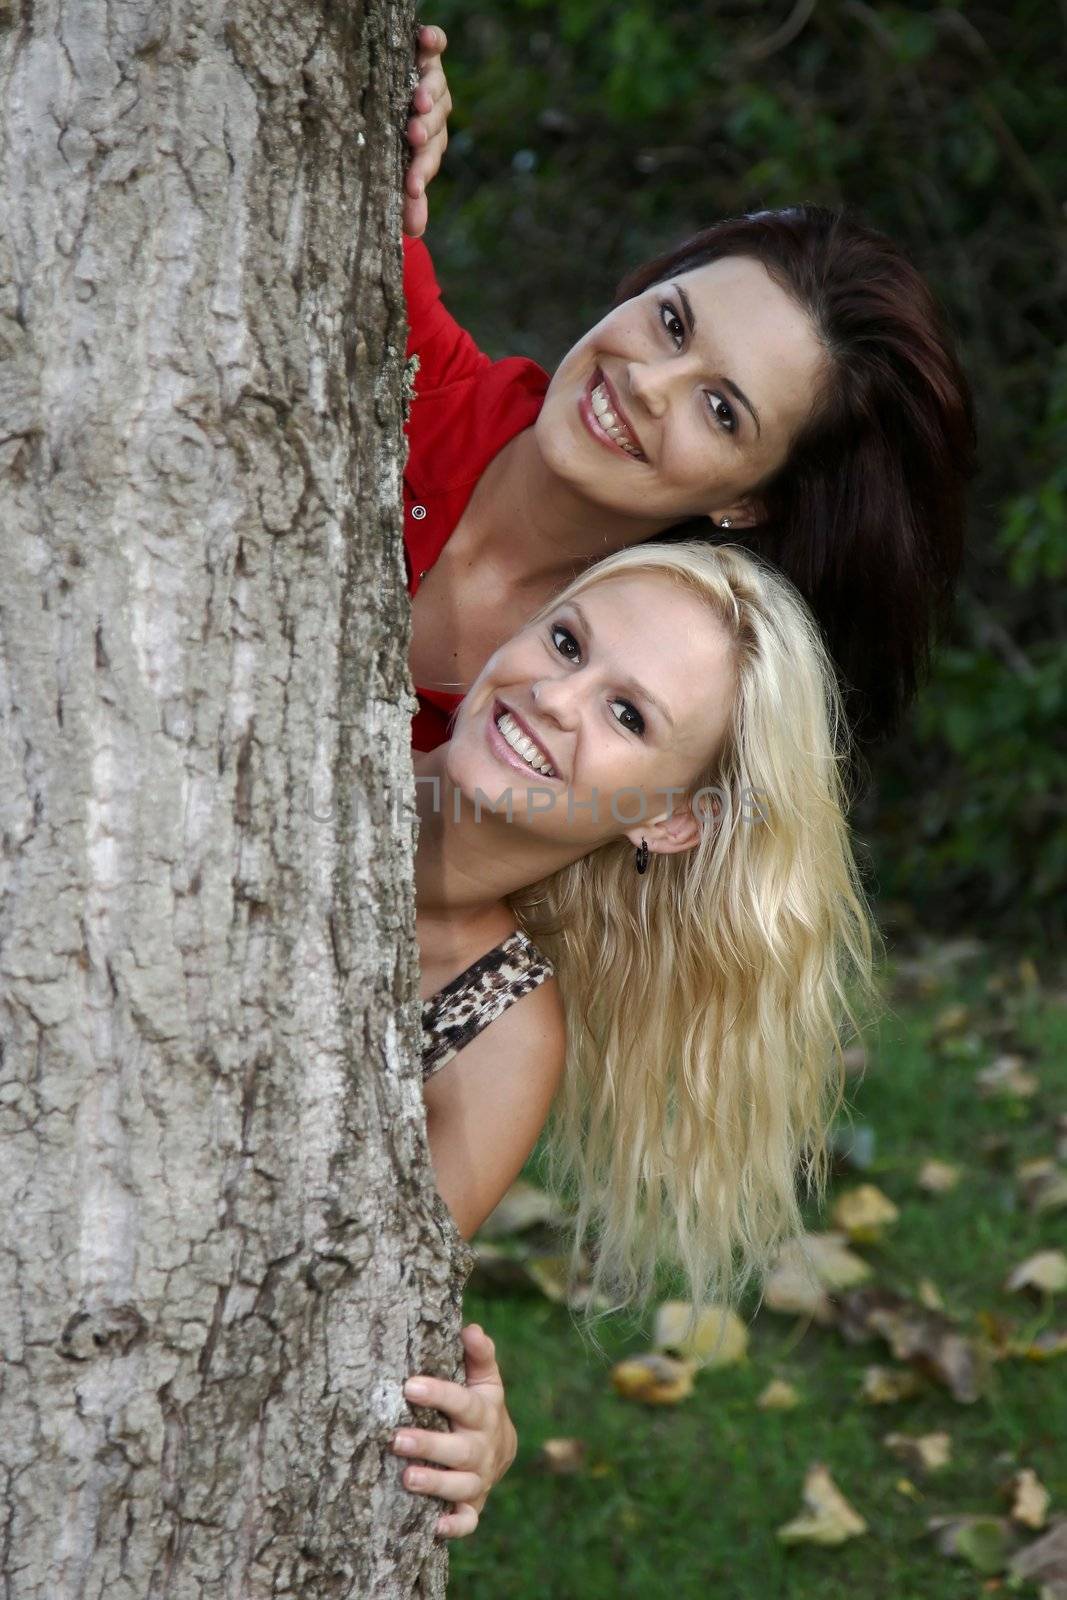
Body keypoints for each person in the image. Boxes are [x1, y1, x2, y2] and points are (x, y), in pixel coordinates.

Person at [391, 539, 875, 1535]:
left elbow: (372, 1296)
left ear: (668, 820)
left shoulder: (501, 1032)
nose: (557, 700)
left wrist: (484, 1428)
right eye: (564, 641)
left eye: (626, 714)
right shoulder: (293, 729)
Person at [401, 31, 975, 755]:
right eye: (671, 322)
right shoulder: (388, 339)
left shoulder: (626, 723)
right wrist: (393, 93)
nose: (646, 383)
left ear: (748, 501)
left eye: (720, 410)